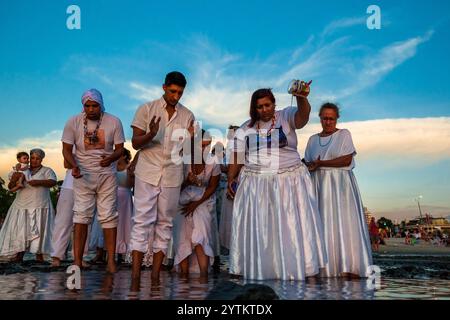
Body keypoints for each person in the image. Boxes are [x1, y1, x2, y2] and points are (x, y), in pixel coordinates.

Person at [227, 85, 327, 280]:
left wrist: (301, 98)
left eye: (268, 105)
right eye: (259, 107)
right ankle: (262, 271)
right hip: (255, 183)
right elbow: (237, 157)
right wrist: (231, 179)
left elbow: (303, 117)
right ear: (253, 108)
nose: (264, 110)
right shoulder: (244, 128)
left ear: (274, 104)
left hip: (289, 180)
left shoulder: (286, 115)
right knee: (262, 229)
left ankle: (299, 269)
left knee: (290, 226)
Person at [129, 71, 195, 283]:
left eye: (180, 93)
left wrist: (191, 140)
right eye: (173, 91)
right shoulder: (146, 109)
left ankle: (156, 277)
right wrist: (151, 133)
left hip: (173, 175)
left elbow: (185, 152)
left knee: (165, 224)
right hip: (148, 172)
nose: (176, 96)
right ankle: (136, 277)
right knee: (141, 222)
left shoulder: (188, 115)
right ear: (164, 87)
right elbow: (135, 143)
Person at [304, 102, 372, 278]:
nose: (328, 122)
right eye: (325, 118)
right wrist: (309, 166)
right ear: (320, 118)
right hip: (319, 185)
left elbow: (346, 160)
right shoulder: (312, 140)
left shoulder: (344, 134)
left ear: (337, 119)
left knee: (344, 223)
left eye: (331, 119)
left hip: (341, 186)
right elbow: (308, 163)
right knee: (322, 223)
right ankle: (324, 267)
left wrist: (322, 163)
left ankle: (349, 266)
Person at [61, 88, 125, 273]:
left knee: (109, 216)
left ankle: (111, 262)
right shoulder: (73, 122)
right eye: (87, 106)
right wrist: (74, 165)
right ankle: (77, 261)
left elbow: (120, 149)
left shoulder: (114, 121)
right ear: (83, 106)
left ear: (101, 105)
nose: (91, 109)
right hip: (82, 175)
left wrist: (111, 158)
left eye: (94, 106)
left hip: (107, 175)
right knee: (81, 216)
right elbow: (66, 149)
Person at [172, 130, 220, 278]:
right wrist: (187, 181)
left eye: (208, 145)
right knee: (183, 237)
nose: (205, 149)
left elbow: (213, 187)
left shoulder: (213, 161)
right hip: (182, 200)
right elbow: (174, 187)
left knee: (201, 235)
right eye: (202, 146)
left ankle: (204, 275)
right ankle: (183, 276)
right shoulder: (183, 161)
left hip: (204, 200)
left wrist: (195, 204)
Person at [0, 148, 56, 262]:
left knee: (39, 232)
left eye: (38, 158)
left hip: (40, 205)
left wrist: (39, 182)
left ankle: (39, 258)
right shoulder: (22, 170)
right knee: (21, 231)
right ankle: (18, 257)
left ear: (42, 159)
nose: (35, 161)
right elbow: (11, 187)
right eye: (33, 158)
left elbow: (52, 182)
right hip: (22, 206)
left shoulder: (47, 170)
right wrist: (15, 177)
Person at [115, 148, 135, 263]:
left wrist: (130, 174)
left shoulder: (130, 167)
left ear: (123, 156)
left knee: (126, 222)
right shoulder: (112, 166)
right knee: (116, 223)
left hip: (126, 196)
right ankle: (116, 251)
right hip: (114, 196)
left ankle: (126, 250)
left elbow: (131, 184)